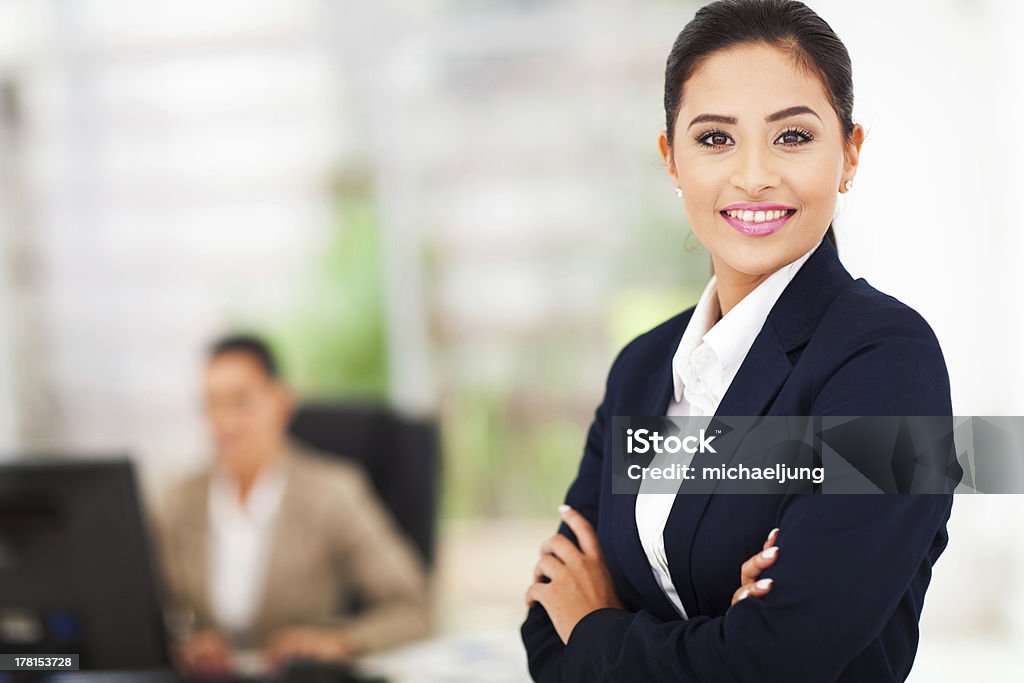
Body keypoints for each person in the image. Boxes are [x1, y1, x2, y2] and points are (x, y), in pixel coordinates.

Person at [520, 1, 960, 681]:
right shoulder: (641, 369)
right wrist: (722, 634)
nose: (754, 176)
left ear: (849, 154)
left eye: (791, 137)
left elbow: (785, 657)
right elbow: (547, 624)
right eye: (715, 139)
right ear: (671, 159)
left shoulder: (891, 362)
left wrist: (600, 626)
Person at [157, 334, 432, 678]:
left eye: (240, 402)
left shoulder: (333, 492)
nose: (223, 423)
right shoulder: (180, 499)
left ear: (281, 401)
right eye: (211, 404)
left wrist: (342, 641)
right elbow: (145, 611)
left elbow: (413, 608)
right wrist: (185, 643)